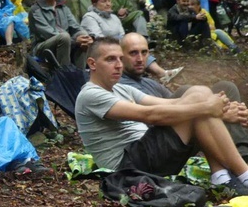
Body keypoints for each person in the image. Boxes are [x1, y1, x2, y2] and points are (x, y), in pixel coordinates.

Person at [76, 36, 248, 193]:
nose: (119, 65)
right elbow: (150, 115)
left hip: (147, 154)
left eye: (120, 59)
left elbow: (171, 103)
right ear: (92, 64)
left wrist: (216, 109)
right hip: (128, 167)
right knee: (199, 98)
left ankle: (221, 177)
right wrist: (209, 108)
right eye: (110, 59)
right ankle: (243, 173)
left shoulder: (121, 89)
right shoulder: (91, 95)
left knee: (198, 92)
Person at [119, 32, 248, 167]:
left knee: (226, 88)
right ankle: (243, 161)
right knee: (192, 91)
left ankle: (241, 156)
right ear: (121, 56)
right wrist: (219, 113)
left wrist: (223, 107)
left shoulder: (148, 82)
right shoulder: (121, 87)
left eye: (144, 53)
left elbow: (179, 104)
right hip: (160, 143)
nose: (140, 59)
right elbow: (152, 118)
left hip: (179, 125)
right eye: (133, 53)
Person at [82, 0, 180, 83]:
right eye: (104, 1)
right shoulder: (90, 17)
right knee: (132, 49)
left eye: (109, 1)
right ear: (94, 4)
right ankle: (161, 73)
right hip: (103, 48)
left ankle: (159, 73)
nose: (108, 4)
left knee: (135, 49)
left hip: (118, 44)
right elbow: (98, 38)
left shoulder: (114, 17)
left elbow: (122, 33)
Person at [28, 0, 92, 68]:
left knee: (82, 35)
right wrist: (74, 41)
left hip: (66, 41)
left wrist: (85, 37)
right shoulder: (36, 10)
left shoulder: (63, 7)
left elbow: (75, 26)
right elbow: (47, 33)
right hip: (43, 46)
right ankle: (65, 73)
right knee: (64, 37)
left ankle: (79, 74)